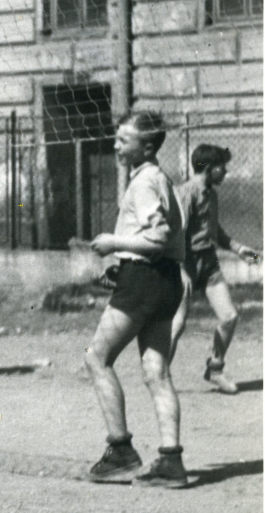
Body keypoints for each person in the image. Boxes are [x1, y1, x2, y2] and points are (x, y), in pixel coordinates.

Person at [83, 111, 188, 489]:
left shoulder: (144, 182)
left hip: (143, 281)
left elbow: (157, 237)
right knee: (156, 371)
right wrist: (123, 262)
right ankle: (171, 461)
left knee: (96, 357)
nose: (115, 145)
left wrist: (114, 245)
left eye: (122, 140)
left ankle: (121, 452)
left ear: (146, 145)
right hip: (166, 282)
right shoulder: (161, 177)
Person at [175, 144, 261, 395]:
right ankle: (160, 378)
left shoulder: (212, 195)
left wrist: (239, 249)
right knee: (177, 323)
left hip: (209, 263)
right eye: (222, 167)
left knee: (229, 317)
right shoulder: (186, 193)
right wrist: (180, 269)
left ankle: (214, 369)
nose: (226, 172)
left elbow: (214, 232)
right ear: (209, 168)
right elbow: (176, 235)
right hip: (185, 263)